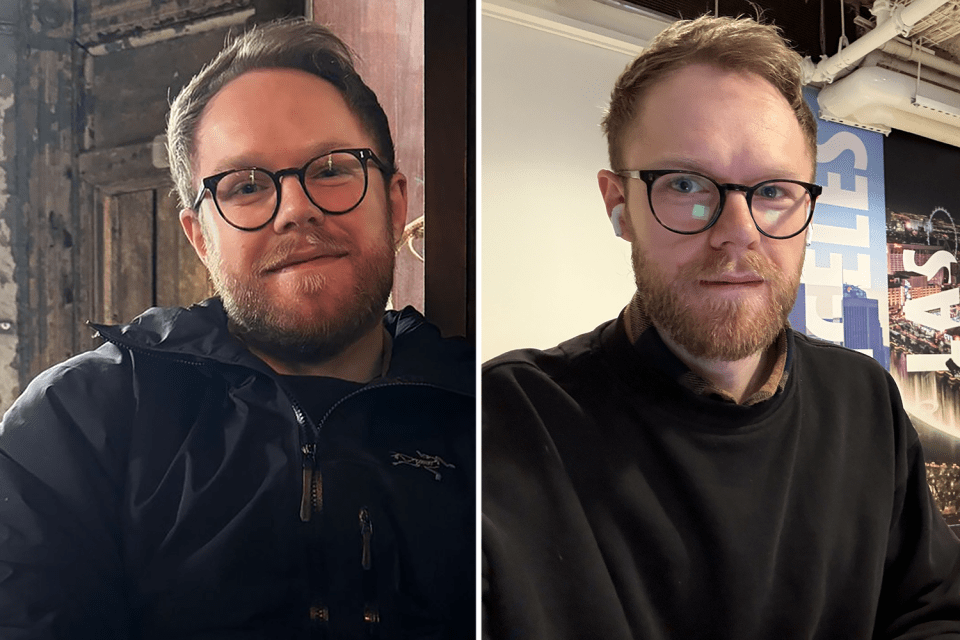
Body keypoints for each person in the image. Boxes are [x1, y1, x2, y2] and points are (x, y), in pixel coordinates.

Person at [482, 15, 960, 640]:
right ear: (618, 204)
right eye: (686, 184)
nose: (739, 230)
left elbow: (932, 610)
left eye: (773, 191)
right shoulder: (503, 426)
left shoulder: (863, 400)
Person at [0, 19, 474, 639]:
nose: (297, 208)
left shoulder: (492, 416)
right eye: (246, 186)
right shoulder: (76, 423)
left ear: (393, 201)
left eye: (331, 169)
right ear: (200, 237)